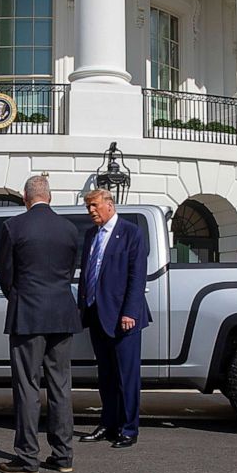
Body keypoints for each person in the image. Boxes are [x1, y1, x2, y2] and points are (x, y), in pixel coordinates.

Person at [0, 175, 81, 473]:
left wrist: (19, 297)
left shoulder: (14, 227)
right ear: (50, 196)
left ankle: (27, 458)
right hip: (61, 311)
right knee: (60, 385)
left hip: (28, 313)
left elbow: (6, 275)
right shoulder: (69, 229)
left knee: (27, 386)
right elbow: (69, 272)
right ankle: (63, 455)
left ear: (25, 197)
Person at [77, 189, 149, 449]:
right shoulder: (90, 235)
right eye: (88, 207)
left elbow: (137, 276)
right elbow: (87, 273)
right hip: (96, 314)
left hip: (123, 317)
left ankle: (129, 429)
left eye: (94, 205)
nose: (91, 211)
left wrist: (130, 311)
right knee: (106, 375)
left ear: (109, 204)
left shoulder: (131, 233)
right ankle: (108, 424)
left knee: (126, 376)